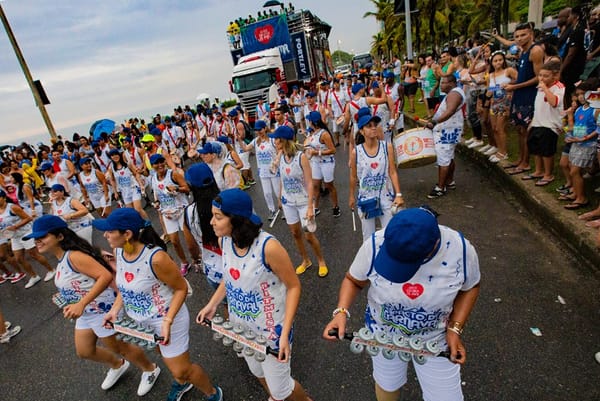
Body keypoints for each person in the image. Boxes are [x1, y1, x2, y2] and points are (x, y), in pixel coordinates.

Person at [323, 207, 480, 401]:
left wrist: (454, 330)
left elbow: (470, 287)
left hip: (435, 338)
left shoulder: (461, 251)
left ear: (432, 248)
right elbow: (353, 280)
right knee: (387, 386)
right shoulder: (375, 244)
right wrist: (341, 311)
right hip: (383, 335)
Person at [24, 214, 160, 395]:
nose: (37, 241)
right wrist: (68, 298)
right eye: (36, 238)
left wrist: (80, 303)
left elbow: (104, 276)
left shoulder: (74, 256)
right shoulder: (62, 258)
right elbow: (78, 282)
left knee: (120, 347)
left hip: (101, 311)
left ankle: (150, 369)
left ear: (60, 236)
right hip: (86, 312)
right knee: (84, 351)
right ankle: (117, 365)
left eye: (43, 236)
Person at [96, 208, 223, 401]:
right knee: (166, 357)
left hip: (168, 319)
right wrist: (115, 310)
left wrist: (167, 321)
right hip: (142, 322)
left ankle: (213, 394)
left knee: (182, 369)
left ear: (127, 234)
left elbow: (181, 289)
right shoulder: (119, 252)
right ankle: (182, 383)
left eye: (110, 231)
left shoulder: (156, 258)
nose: (105, 235)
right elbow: (124, 287)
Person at [197, 189, 312, 401]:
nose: (211, 222)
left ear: (237, 220)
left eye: (218, 217)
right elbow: (230, 278)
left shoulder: (269, 247)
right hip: (241, 328)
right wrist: (212, 304)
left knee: (282, 389)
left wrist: (285, 333)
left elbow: (294, 286)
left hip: (272, 331)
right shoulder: (225, 241)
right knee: (258, 372)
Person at [270, 125, 329, 277]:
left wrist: (311, 206)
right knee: (295, 233)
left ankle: (321, 261)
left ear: (283, 140)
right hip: (288, 201)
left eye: (276, 139)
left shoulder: (301, 157)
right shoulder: (280, 156)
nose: (274, 141)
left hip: (304, 202)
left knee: (309, 234)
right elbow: (282, 177)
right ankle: (305, 260)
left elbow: (309, 183)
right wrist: (280, 198)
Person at [349, 114, 404, 241]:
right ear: (362, 131)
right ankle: (372, 261)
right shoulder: (356, 152)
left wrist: (399, 194)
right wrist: (351, 196)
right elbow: (353, 176)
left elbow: (392, 171)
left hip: (386, 197)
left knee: (390, 235)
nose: (373, 128)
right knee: (369, 239)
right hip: (366, 199)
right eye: (369, 126)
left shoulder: (387, 146)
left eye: (375, 125)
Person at [182, 163, 225, 308]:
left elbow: (191, 245)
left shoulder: (188, 212)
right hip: (239, 266)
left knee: (226, 307)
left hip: (213, 270)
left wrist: (195, 260)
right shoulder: (227, 202)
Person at [505, 22, 545, 175]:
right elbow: (523, 76)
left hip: (529, 96)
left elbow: (539, 78)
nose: (520, 39)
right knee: (520, 130)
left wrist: (515, 87)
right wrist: (513, 84)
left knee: (526, 131)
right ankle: (521, 159)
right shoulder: (523, 52)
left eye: (523, 35)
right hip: (519, 94)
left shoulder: (535, 51)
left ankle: (526, 163)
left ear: (531, 34)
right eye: (517, 36)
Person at [149, 154, 191, 275]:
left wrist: (177, 189)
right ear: (152, 166)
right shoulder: (153, 178)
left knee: (190, 239)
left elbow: (187, 188)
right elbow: (157, 195)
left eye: (161, 162)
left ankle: (197, 258)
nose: (160, 165)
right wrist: (157, 203)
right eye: (156, 163)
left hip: (181, 210)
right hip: (168, 214)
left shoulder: (173, 174)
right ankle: (184, 262)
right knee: (174, 241)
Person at [524, 61, 565, 185]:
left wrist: (546, 89)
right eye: (540, 75)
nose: (541, 78)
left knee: (546, 150)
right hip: (538, 121)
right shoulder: (540, 86)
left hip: (550, 124)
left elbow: (554, 103)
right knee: (536, 148)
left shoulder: (559, 88)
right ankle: (538, 170)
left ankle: (548, 174)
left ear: (555, 76)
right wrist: (533, 121)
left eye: (545, 76)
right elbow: (538, 104)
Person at [425, 74, 466, 198]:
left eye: (443, 83)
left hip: (446, 132)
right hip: (448, 131)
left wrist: (434, 122)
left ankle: (440, 188)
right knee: (449, 157)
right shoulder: (455, 92)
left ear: (451, 83)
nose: (441, 85)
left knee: (443, 160)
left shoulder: (454, 94)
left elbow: (450, 111)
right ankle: (450, 181)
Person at [560, 80, 598, 210]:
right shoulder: (579, 109)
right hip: (576, 143)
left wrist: (586, 137)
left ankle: (581, 198)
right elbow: (577, 126)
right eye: (579, 94)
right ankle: (576, 193)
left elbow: (598, 129)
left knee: (575, 170)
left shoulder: (595, 110)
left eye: (583, 94)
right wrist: (570, 136)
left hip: (588, 144)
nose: (581, 97)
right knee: (572, 168)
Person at [239, 120, 281, 219]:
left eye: (260, 129)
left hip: (274, 170)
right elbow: (245, 149)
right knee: (267, 193)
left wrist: (277, 160)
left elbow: (280, 150)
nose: (258, 132)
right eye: (256, 130)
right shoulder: (255, 141)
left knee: (277, 191)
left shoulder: (272, 139)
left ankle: (283, 209)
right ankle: (272, 210)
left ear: (265, 128)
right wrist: (239, 140)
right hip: (263, 171)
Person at [304, 111, 340, 217]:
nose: (308, 122)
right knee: (315, 186)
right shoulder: (312, 132)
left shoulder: (324, 134)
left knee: (329, 186)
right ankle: (315, 207)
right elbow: (308, 144)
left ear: (313, 122)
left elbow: (333, 150)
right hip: (316, 162)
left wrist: (317, 152)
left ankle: (336, 207)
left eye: (309, 120)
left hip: (327, 162)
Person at [485, 51, 517, 163]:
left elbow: (520, 80)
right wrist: (487, 96)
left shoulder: (508, 71)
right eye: (495, 60)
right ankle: (499, 150)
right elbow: (490, 90)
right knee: (494, 128)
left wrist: (509, 85)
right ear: (492, 63)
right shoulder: (490, 75)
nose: (498, 62)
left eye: (500, 60)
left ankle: (504, 152)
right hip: (494, 104)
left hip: (506, 103)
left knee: (500, 128)